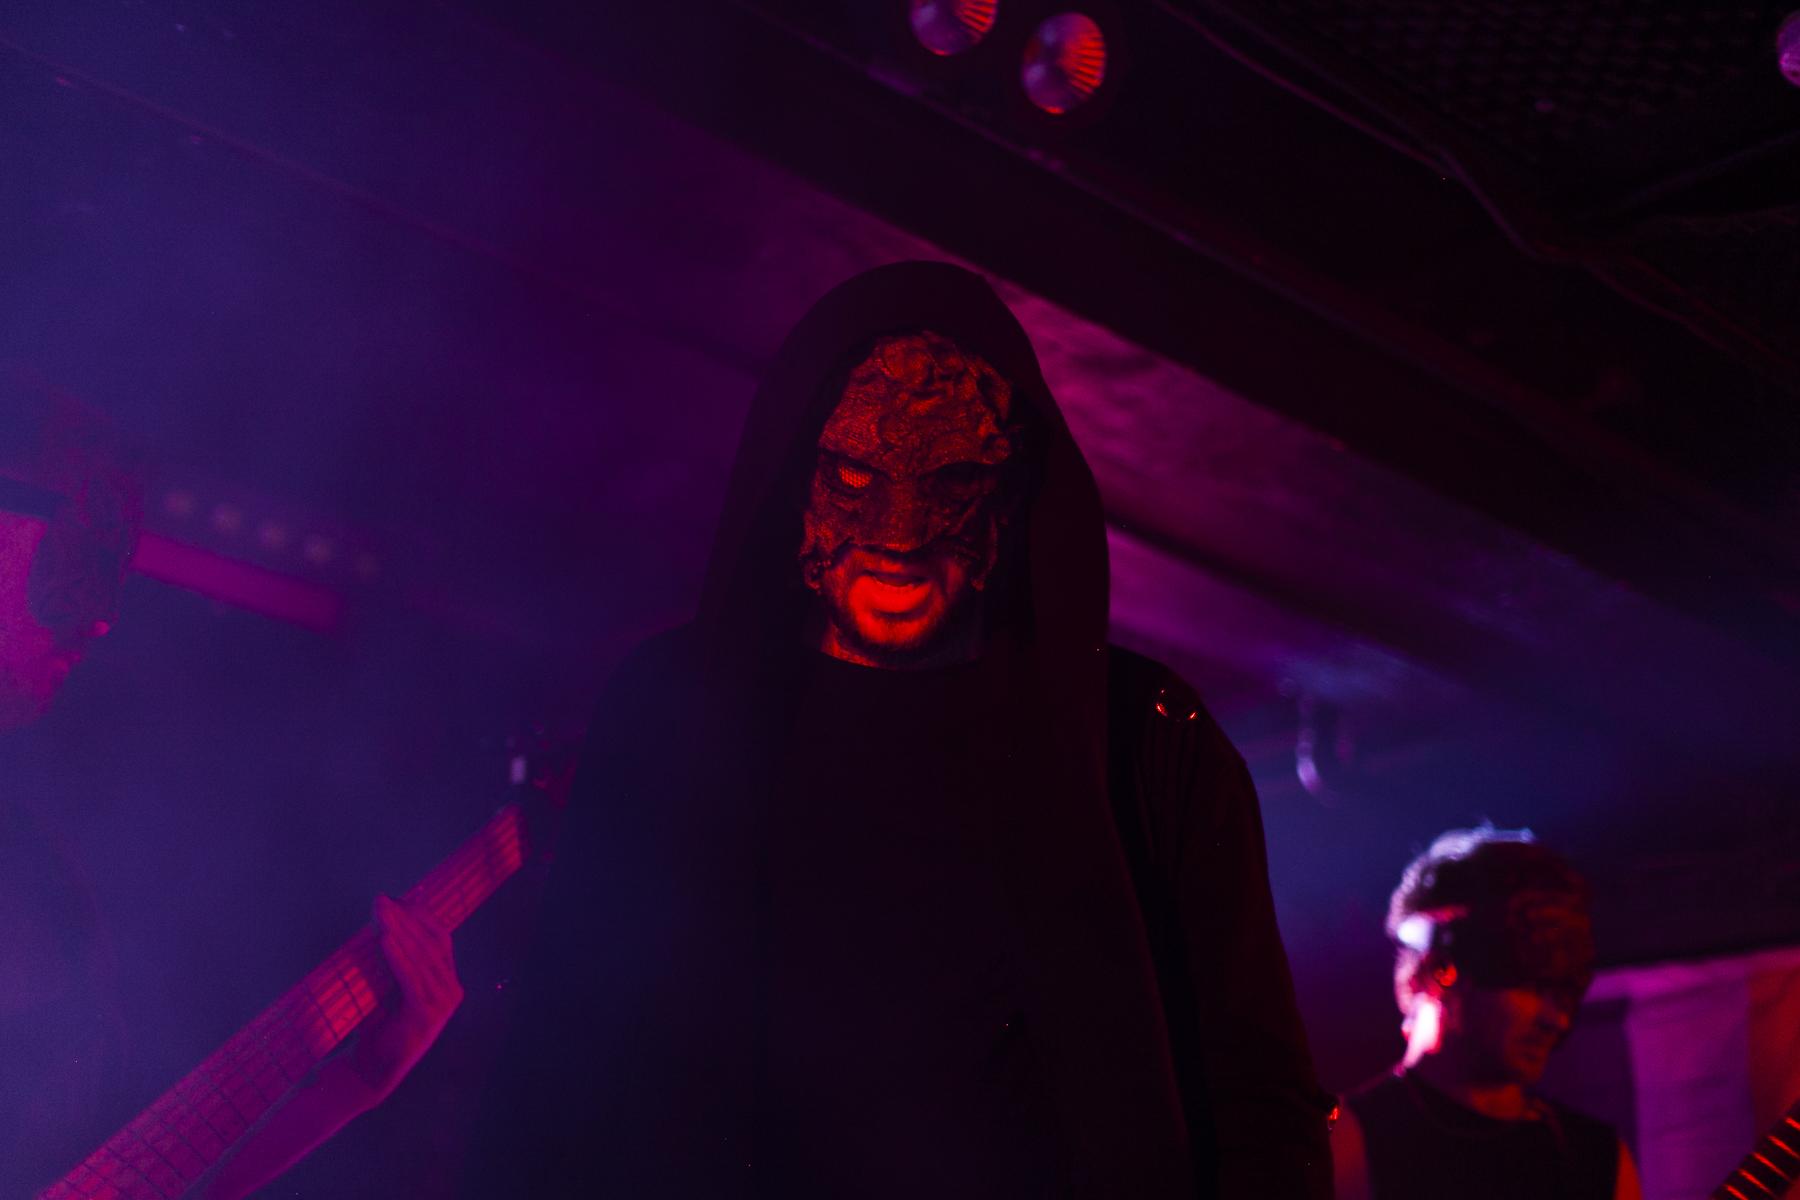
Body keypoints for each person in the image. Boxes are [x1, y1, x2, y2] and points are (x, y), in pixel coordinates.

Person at [469, 262, 1332, 1196]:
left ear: (1013, 496)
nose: (899, 530)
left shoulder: (1146, 739)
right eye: (854, 476)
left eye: (952, 480)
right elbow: (560, 1055)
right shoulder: (680, 707)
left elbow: (1257, 1099)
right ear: (798, 481)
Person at [0, 390, 464, 1197]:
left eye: (117, 557)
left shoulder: (41, 879)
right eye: (78, 543)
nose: (103, 616)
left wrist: (353, 1086)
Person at [1332, 826, 1644, 1200]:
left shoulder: (1597, 1160)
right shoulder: (1343, 1145)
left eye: (1562, 994)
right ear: (1441, 970)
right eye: (1530, 986)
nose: (1557, 1020)